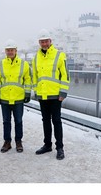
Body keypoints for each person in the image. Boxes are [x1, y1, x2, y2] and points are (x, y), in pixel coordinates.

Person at [32, 29, 70, 160]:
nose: (44, 43)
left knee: (56, 121)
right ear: (39, 42)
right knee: (45, 121)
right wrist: (36, 92)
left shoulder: (59, 55)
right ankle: (47, 145)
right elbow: (35, 76)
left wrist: (63, 92)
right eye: (42, 41)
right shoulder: (36, 57)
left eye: (46, 41)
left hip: (55, 95)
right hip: (43, 95)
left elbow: (65, 75)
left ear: (50, 41)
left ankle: (60, 148)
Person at [0, 39, 31, 153]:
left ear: (16, 51)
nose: (10, 52)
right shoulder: (0, 64)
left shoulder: (24, 64)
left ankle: (18, 142)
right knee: (6, 121)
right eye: (8, 50)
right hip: (4, 98)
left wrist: (28, 93)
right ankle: (7, 142)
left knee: (18, 121)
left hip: (18, 98)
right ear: (5, 51)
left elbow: (28, 80)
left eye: (12, 50)